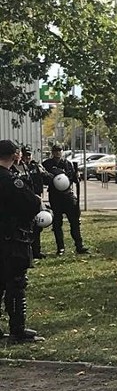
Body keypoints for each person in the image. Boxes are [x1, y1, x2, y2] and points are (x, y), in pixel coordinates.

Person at [0, 139, 44, 342]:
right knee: (16, 284)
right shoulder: (10, 181)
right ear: (13, 155)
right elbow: (31, 203)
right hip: (11, 241)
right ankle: (17, 330)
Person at [42, 144, 88, 255]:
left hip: (68, 195)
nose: (58, 152)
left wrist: (77, 177)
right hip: (55, 196)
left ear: (62, 152)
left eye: (59, 150)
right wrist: (51, 178)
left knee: (75, 222)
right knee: (57, 223)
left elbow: (74, 179)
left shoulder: (67, 164)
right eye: (55, 150)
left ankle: (79, 246)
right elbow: (43, 180)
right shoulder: (47, 164)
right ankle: (60, 248)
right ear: (52, 152)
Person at [17, 146, 47, 259]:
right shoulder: (18, 168)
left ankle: (36, 251)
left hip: (36, 198)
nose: (27, 158)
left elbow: (41, 180)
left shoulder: (36, 166)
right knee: (27, 227)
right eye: (25, 156)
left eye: (29, 155)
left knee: (37, 226)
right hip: (25, 200)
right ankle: (28, 251)